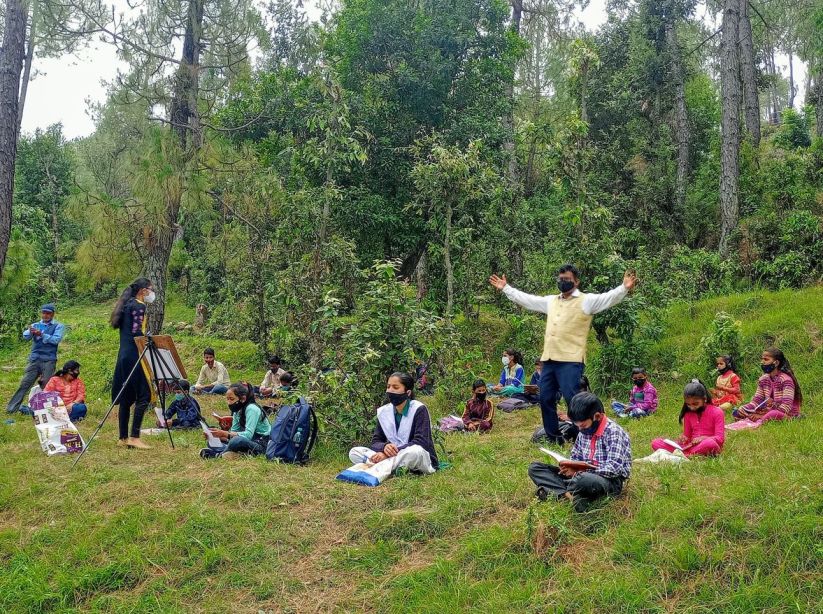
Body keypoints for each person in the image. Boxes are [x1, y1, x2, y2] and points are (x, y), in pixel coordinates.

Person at [490, 264, 637, 444]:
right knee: (545, 398)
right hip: (549, 359)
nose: (563, 282)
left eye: (567, 279)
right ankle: (554, 437)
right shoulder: (551, 301)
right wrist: (506, 288)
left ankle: (582, 434)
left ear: (576, 281)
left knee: (572, 399)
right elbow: (528, 300)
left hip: (571, 360)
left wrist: (624, 288)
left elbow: (608, 298)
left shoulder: (586, 301)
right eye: (560, 279)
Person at [528, 392, 632, 512]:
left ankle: (554, 491)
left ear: (597, 416)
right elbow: (575, 457)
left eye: (583, 426)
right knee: (535, 468)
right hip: (578, 476)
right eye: (577, 426)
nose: (580, 430)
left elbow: (614, 469)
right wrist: (568, 467)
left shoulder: (614, 432)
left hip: (607, 481)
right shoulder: (583, 431)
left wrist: (581, 471)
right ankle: (570, 496)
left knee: (585, 480)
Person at [348, 372, 438, 475]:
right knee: (354, 452)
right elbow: (375, 441)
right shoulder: (384, 412)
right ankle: (392, 467)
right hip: (393, 456)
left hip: (413, 455)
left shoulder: (419, 409)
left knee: (415, 452)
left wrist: (387, 454)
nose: (390, 390)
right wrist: (384, 447)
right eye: (388, 386)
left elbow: (421, 442)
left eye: (395, 387)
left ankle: (382, 466)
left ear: (408, 392)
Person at [111, 278, 154, 449]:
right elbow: (137, 332)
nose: (152, 293)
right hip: (135, 355)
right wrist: (147, 339)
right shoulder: (138, 306)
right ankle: (135, 437)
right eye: (151, 289)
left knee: (126, 397)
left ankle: (122, 437)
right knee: (144, 395)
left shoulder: (126, 305)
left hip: (123, 355)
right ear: (143, 291)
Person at [6, 304, 65, 414]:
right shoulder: (35, 325)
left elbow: (56, 340)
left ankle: (49, 411)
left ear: (53, 314)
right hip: (35, 359)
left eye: (48, 313)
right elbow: (25, 337)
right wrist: (30, 331)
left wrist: (42, 334)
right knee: (25, 383)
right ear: (41, 313)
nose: (45, 315)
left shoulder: (58, 326)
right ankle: (11, 409)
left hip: (49, 360)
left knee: (47, 386)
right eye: (44, 313)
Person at [651, 380, 725, 457]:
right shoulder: (688, 414)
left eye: (695, 404)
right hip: (691, 447)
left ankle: (683, 455)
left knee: (710, 443)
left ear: (704, 399)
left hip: (707, 445)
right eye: (688, 404)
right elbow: (688, 436)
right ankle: (688, 455)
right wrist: (683, 438)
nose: (692, 407)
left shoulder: (717, 412)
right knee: (656, 442)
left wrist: (704, 438)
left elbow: (720, 439)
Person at [202, 382, 272, 459]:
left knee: (236, 441)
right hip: (248, 440)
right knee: (212, 442)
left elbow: (248, 435)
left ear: (243, 398)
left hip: (261, 444)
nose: (229, 402)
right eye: (227, 399)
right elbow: (233, 433)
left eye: (231, 399)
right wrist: (218, 435)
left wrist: (224, 433)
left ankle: (219, 455)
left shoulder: (252, 409)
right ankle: (238, 454)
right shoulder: (237, 410)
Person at [733, 347, 802, 423]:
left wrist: (762, 415)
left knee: (773, 414)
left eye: (766, 359)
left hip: (786, 413)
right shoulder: (763, 379)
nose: (762, 362)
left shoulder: (786, 380)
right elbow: (756, 401)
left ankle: (762, 419)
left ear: (776, 363)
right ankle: (761, 419)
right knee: (739, 411)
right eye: (762, 359)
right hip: (767, 411)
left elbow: (786, 407)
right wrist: (743, 409)